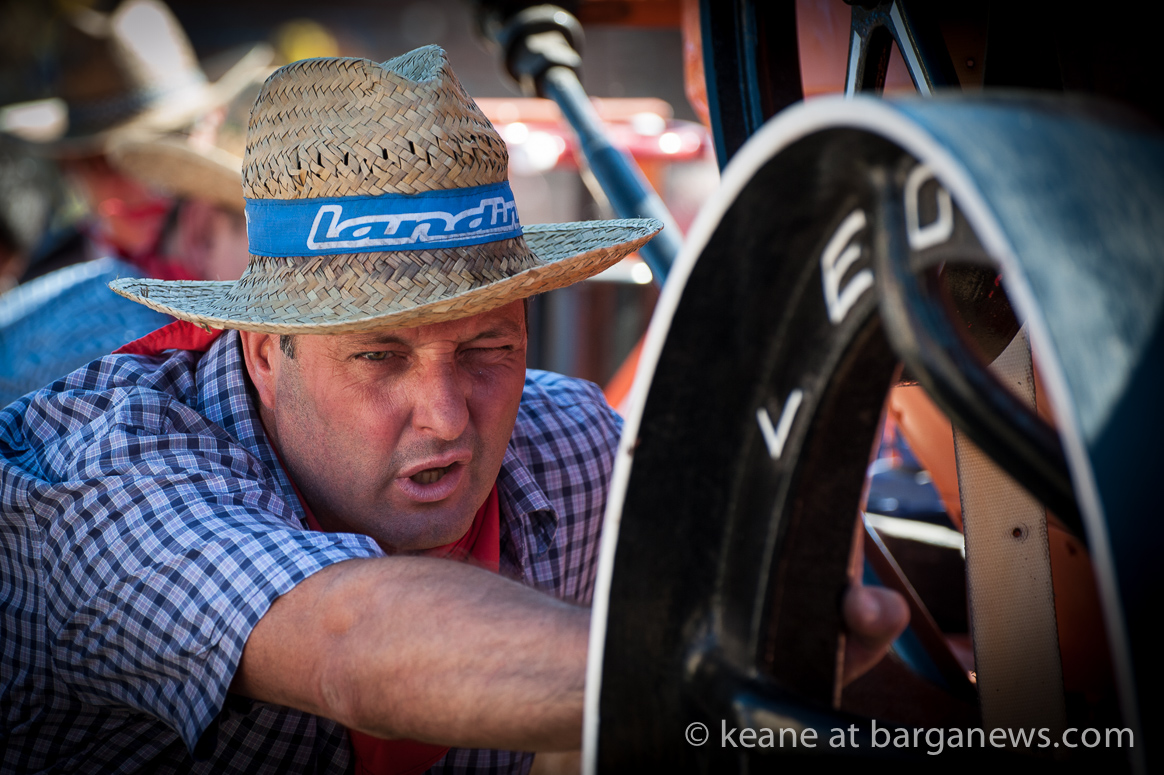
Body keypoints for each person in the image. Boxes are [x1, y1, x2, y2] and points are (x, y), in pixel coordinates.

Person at [0, 47, 907, 774]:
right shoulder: (109, 476)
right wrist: (721, 666)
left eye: (488, 350)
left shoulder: (573, 447)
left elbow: (767, 543)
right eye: (378, 355)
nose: (445, 416)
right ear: (266, 351)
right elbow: (348, 643)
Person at [0, 0, 270, 405]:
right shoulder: (46, 286)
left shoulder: (265, 238)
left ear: (208, 124)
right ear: (71, 168)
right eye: (100, 162)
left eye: (162, 145)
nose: (137, 181)